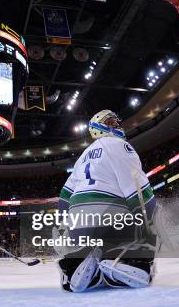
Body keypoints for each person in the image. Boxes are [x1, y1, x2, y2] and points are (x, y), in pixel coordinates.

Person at [56, 109, 157, 292]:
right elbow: (138, 191)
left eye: (117, 121)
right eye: (111, 122)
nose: (117, 125)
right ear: (97, 127)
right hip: (109, 217)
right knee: (145, 235)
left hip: (77, 222)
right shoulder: (119, 146)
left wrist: (64, 226)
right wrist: (148, 223)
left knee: (92, 248)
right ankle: (125, 261)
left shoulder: (82, 157)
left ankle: (77, 265)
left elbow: (64, 196)